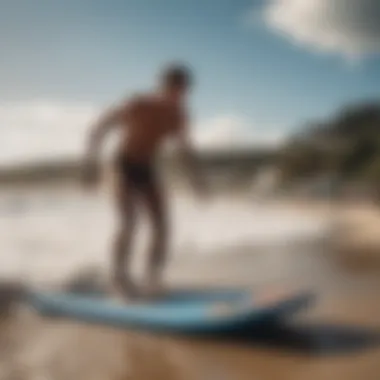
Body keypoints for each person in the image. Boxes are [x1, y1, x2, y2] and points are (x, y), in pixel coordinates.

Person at [82, 64, 206, 299]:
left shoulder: (178, 115)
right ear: (163, 87)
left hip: (147, 168)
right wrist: (90, 164)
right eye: (174, 90)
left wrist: (197, 181)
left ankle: (152, 277)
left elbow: (185, 149)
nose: (178, 96)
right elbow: (101, 127)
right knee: (129, 221)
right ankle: (118, 279)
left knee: (162, 225)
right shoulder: (139, 104)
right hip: (121, 165)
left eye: (183, 92)